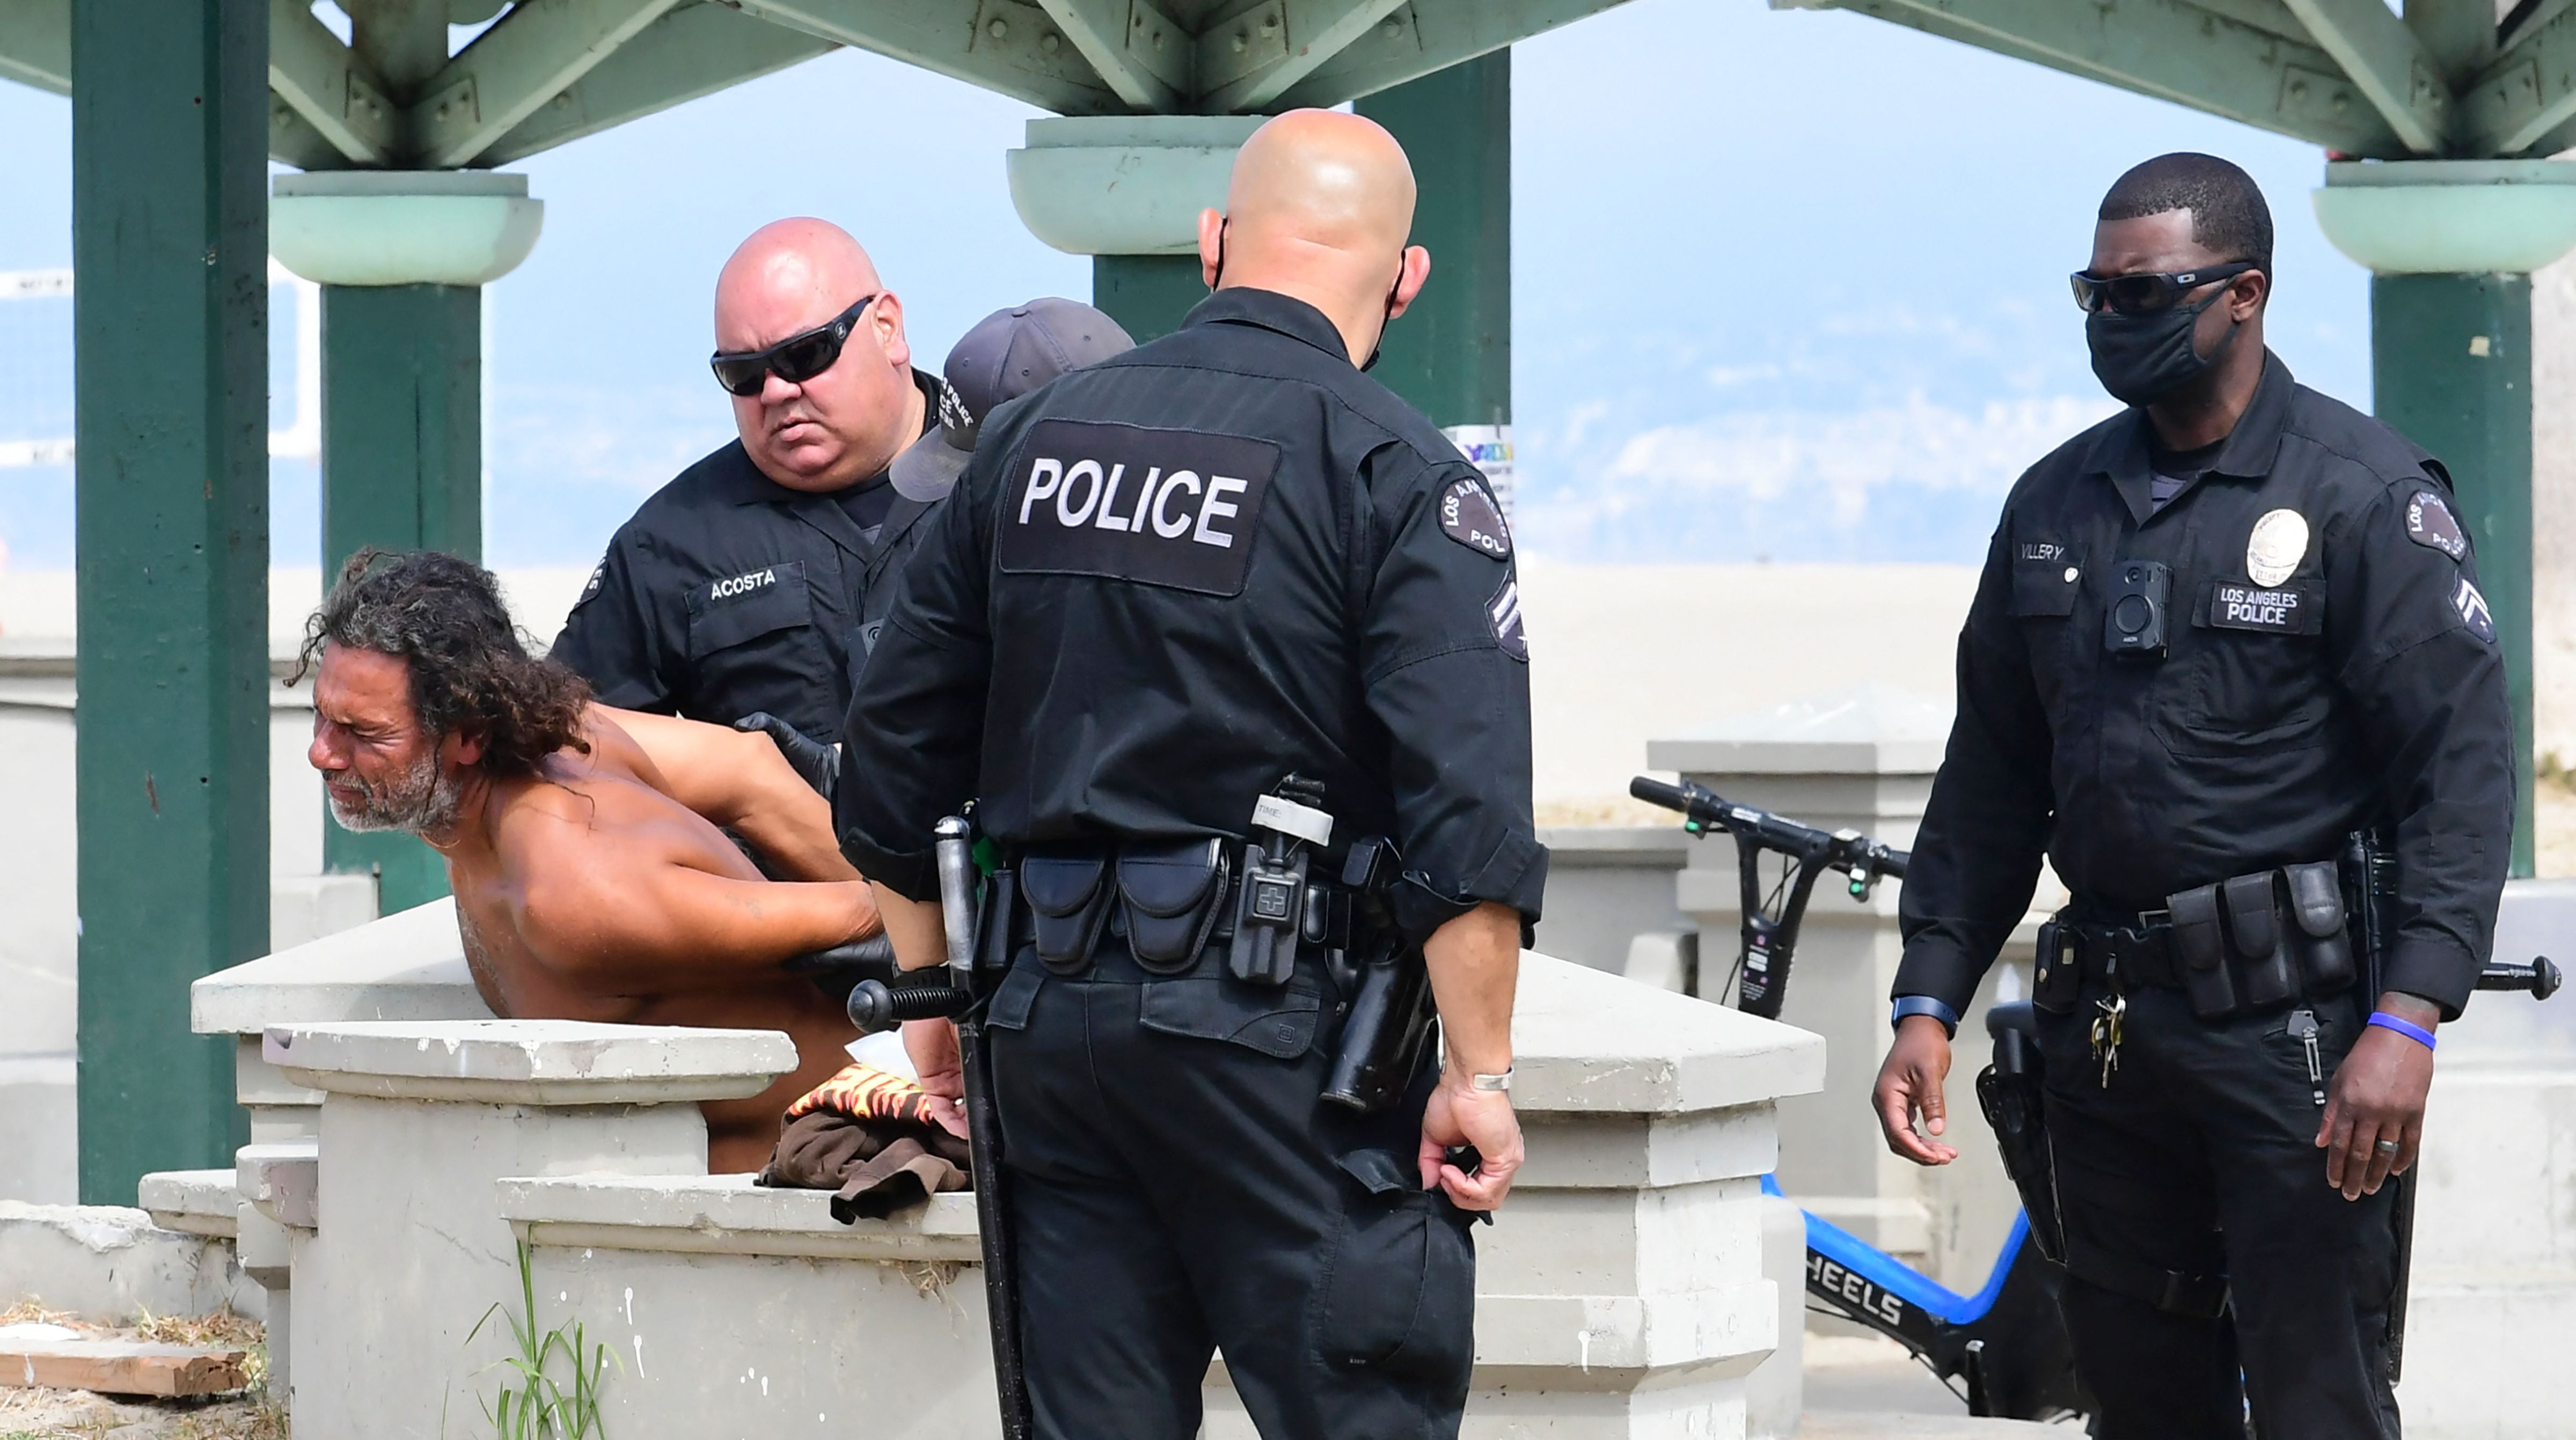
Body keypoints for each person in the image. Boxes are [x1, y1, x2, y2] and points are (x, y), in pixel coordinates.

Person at [837, 110, 1544, 1440]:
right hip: (1283, 1054)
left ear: (1211, 243)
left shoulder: (1030, 447)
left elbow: (887, 764)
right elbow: (1467, 819)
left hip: (1044, 1035)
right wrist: (1480, 1074)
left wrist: (930, 995)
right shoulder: (1394, 469)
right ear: (1404, 279)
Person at [1869, 153, 2512, 1440]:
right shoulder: (2055, 501)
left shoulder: (2359, 495)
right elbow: (1990, 771)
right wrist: (1926, 992)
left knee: (2315, 1395)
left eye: (2145, 290)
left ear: (2243, 294)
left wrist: (2410, 1015)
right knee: (2134, 1399)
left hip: (2296, 1042)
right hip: (2103, 1034)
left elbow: (2457, 773)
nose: (2114, 317)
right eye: (2094, 292)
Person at [303, 548, 888, 1173]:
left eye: (363, 733)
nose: (321, 753)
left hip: (833, 1165)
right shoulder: (533, 741)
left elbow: (871, 914)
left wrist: (895, 893)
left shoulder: (573, 889)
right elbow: (750, 768)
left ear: (469, 734)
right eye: (323, 716)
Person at [549, 218, 939, 744]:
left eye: (804, 355)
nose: (776, 392)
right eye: (744, 375)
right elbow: (564, 748)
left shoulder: (1014, 478)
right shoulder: (670, 544)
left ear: (887, 327)